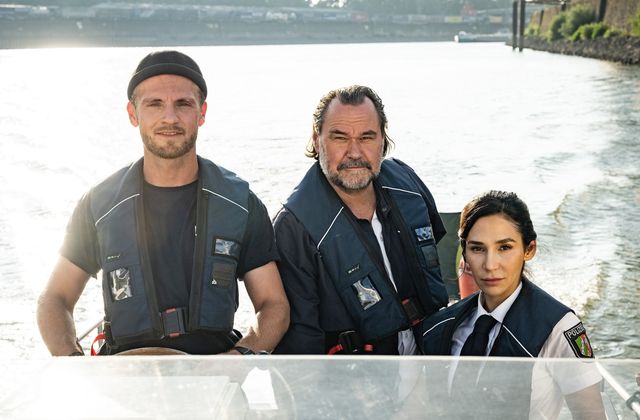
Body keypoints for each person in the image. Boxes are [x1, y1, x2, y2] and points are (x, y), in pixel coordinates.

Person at [36, 50, 289, 356]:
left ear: (202, 113)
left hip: (215, 371)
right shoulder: (99, 205)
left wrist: (239, 357)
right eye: (154, 104)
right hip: (124, 373)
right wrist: (73, 361)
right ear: (133, 114)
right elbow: (55, 299)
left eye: (183, 104)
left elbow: (273, 305)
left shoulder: (239, 204)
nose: (170, 117)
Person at [273, 85, 448, 355]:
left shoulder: (408, 184)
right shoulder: (293, 228)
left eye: (367, 137)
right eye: (340, 138)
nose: (354, 153)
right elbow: (300, 343)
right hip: (357, 372)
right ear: (317, 140)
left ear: (382, 140)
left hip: (431, 355)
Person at [421, 190, 605, 419]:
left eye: (505, 247)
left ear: (529, 250)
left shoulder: (558, 327)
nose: (490, 265)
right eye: (477, 248)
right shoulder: (444, 325)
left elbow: (591, 416)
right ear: (465, 254)